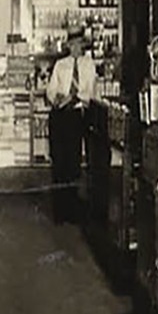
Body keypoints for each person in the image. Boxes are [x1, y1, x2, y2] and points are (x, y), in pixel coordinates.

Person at [46, 29, 97, 224]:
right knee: (59, 161)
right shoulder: (61, 64)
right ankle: (60, 211)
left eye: (79, 44)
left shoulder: (88, 64)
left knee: (73, 163)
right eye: (73, 44)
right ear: (68, 46)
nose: (76, 48)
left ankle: (72, 209)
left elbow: (89, 92)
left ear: (83, 46)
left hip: (77, 116)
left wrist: (73, 97)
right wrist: (57, 98)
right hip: (60, 116)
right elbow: (51, 90)